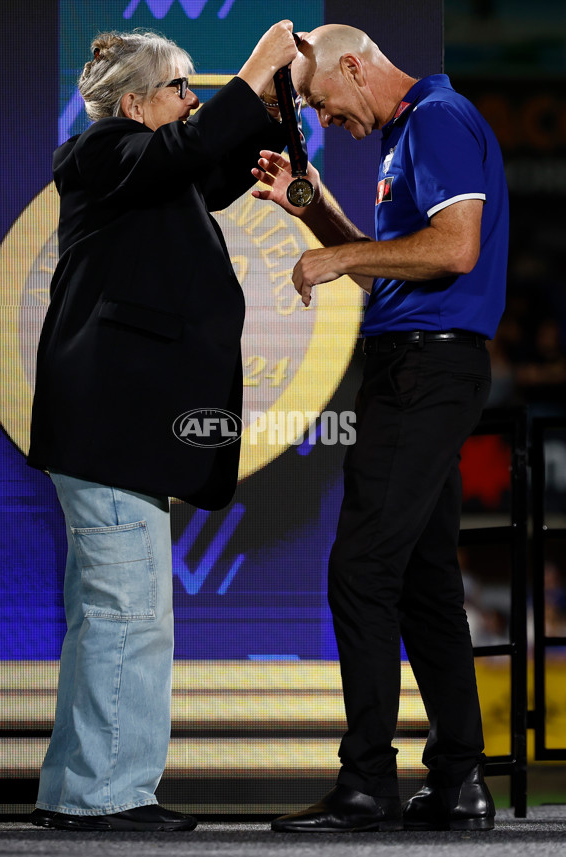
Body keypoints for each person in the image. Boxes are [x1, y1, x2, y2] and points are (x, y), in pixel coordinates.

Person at [26, 23, 297, 831]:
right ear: (135, 102)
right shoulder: (99, 152)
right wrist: (252, 71)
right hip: (111, 427)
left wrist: (281, 100)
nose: (191, 104)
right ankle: (104, 793)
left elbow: (205, 167)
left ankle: (79, 786)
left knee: (111, 611)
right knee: (128, 614)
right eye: (181, 90)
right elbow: (188, 152)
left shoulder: (150, 174)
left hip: (119, 432)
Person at [252, 24, 508, 832]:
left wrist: (339, 263)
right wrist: (308, 200)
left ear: (355, 66)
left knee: (362, 568)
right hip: (417, 364)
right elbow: (383, 257)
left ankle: (365, 784)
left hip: (425, 372)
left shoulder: (436, 117)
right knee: (425, 576)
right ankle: (459, 780)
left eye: (325, 104)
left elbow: (456, 248)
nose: (329, 122)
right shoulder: (408, 130)